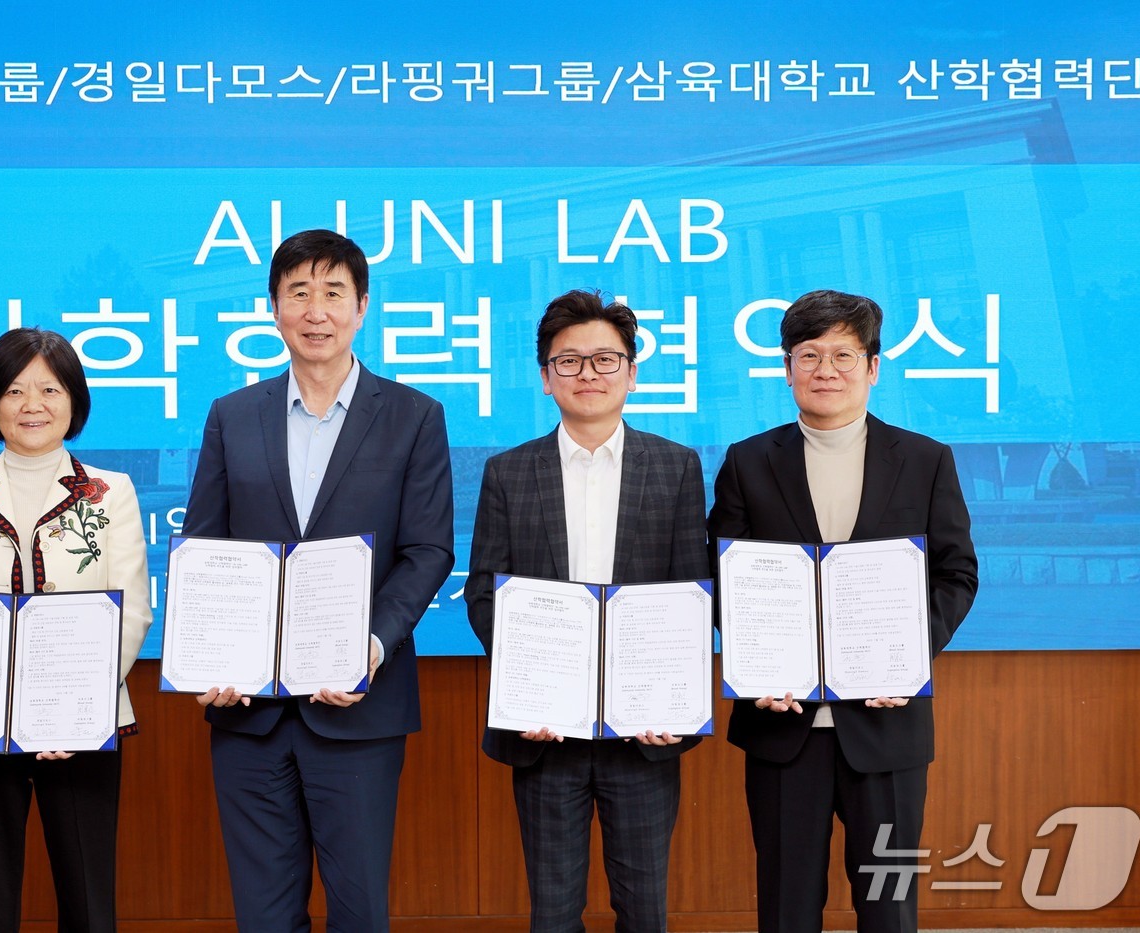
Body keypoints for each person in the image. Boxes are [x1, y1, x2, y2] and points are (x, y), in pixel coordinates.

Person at [183, 229, 454, 932]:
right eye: (298, 292)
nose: (316, 310)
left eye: (333, 292)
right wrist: (213, 656)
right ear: (273, 307)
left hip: (358, 708)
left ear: (361, 307)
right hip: (248, 712)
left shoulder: (414, 416)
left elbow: (427, 550)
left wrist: (371, 643)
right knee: (264, 916)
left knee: (359, 911)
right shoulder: (232, 416)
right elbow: (205, 548)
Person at [707, 289, 979, 933]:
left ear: (872, 367)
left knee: (890, 909)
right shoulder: (748, 461)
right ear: (787, 367)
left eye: (843, 355)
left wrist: (906, 658)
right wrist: (752, 663)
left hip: (888, 729)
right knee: (786, 909)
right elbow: (721, 580)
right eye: (809, 355)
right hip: (782, 727)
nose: (825, 370)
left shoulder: (925, 460)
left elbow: (956, 574)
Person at [465, 289, 708, 933]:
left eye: (606, 359)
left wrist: (672, 704)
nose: (588, 374)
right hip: (546, 735)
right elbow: (485, 594)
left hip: (643, 735)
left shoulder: (677, 468)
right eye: (568, 361)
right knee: (552, 913)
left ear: (631, 372)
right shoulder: (508, 472)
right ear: (546, 378)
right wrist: (527, 691)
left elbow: (692, 593)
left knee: (645, 911)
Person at [0, 327, 153, 933]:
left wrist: (71, 709)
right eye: (15, 390)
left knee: (88, 896)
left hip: (84, 723)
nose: (32, 405)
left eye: (50, 389)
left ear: (74, 400)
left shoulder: (111, 492)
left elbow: (132, 611)